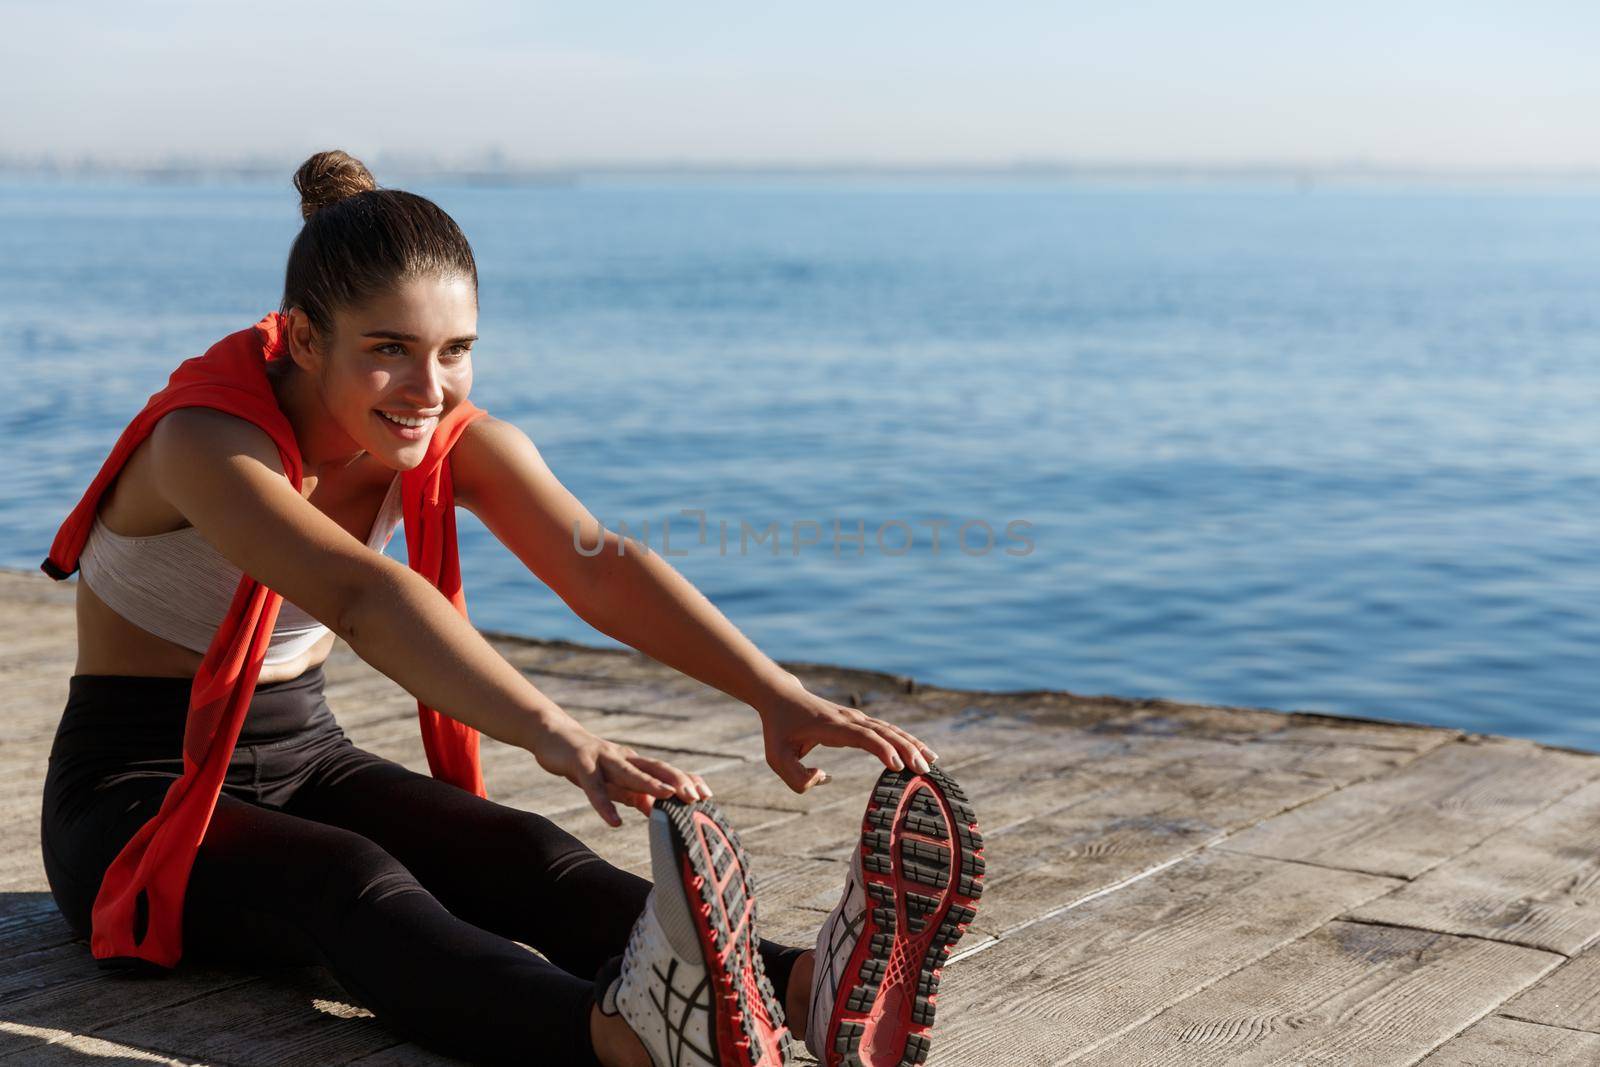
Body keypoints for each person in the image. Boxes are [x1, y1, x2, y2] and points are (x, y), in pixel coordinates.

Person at [38, 150, 983, 1067]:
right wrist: (558, 733)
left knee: (519, 849)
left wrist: (772, 692)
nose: (428, 389)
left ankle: (807, 987)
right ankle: (618, 1036)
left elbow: (600, 565)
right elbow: (365, 596)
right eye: (389, 351)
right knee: (352, 881)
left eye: (456, 352)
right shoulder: (205, 441)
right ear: (303, 336)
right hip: (132, 795)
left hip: (306, 754)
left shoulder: (436, 433)